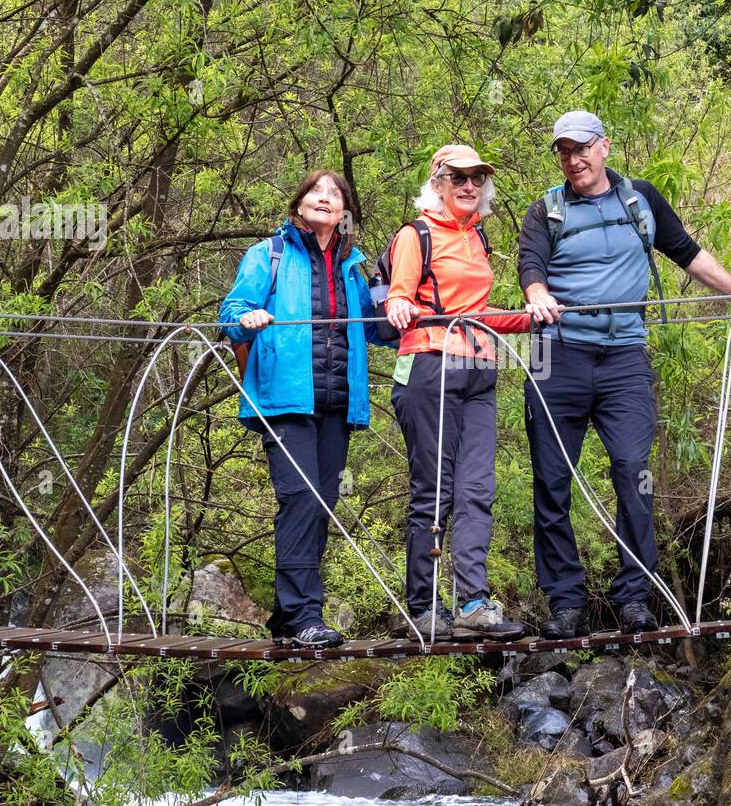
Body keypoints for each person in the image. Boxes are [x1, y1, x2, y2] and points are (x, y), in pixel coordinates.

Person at [518, 110, 731, 638]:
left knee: (632, 471)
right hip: (555, 355)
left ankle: (635, 597)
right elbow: (530, 267)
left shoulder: (639, 198)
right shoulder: (546, 211)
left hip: (624, 356)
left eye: (581, 148)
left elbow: (689, 254)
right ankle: (566, 603)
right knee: (552, 481)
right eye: (563, 151)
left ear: (604, 146)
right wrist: (538, 295)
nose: (572, 159)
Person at [220, 169, 384, 649]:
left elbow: (377, 329)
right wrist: (247, 318)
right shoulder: (268, 255)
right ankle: (302, 615)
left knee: (321, 506)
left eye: (335, 194)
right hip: (285, 399)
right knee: (302, 500)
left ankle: (288, 616)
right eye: (317, 191)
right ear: (298, 205)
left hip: (337, 403)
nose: (326, 198)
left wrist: (414, 309)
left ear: (345, 212)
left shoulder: (355, 266)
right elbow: (231, 314)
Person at [385, 145, 530, 639]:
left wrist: (532, 317)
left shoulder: (478, 238)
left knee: (476, 491)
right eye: (459, 178)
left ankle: (471, 602)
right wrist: (401, 306)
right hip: (428, 366)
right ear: (439, 182)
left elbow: (480, 311)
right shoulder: (416, 234)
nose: (470, 186)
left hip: (479, 370)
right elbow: (399, 295)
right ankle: (423, 607)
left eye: (477, 179)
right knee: (434, 492)